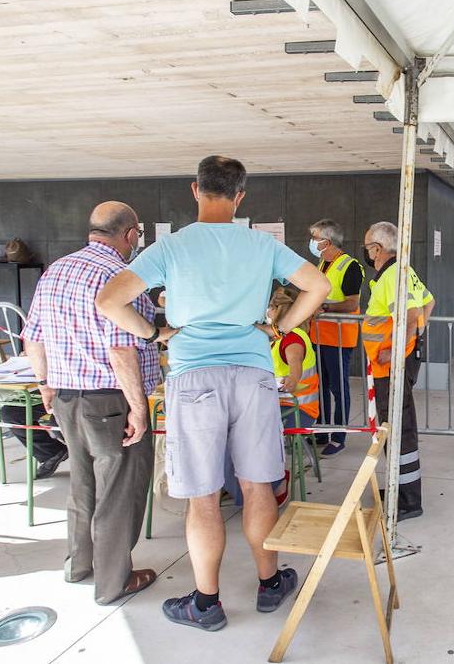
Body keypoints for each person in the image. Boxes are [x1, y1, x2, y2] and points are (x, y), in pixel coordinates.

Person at [96, 155, 330, 632]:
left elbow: (108, 300)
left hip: (194, 376)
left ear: (195, 190)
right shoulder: (261, 245)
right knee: (256, 484)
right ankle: (270, 583)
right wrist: (280, 326)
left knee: (203, 497)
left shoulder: (173, 247)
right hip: (252, 372)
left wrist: (153, 333)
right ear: (240, 196)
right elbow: (319, 284)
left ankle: (207, 603)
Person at [22, 201, 163, 604]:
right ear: (131, 234)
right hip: (110, 400)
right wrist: (138, 407)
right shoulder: (121, 277)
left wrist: (45, 383)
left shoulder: (57, 270)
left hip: (66, 396)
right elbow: (122, 349)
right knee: (120, 489)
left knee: (82, 484)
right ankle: (113, 582)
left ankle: (79, 564)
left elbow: (33, 335)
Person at [361, 221, 434, 521]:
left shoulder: (392, 274)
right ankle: (400, 490)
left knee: (398, 431)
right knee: (397, 428)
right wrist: (412, 341)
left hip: (391, 367)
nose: (367, 253)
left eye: (367, 248)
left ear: (377, 249)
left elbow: (413, 312)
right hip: (398, 363)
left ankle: (406, 501)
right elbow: (429, 303)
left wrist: (396, 350)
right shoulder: (403, 271)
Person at [306, 219, 363, 457]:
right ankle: (321, 431)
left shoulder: (350, 266)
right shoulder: (322, 264)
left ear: (326, 242)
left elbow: (352, 303)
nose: (311, 241)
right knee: (319, 387)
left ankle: (338, 436)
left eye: (315, 237)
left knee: (338, 389)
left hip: (339, 338)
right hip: (319, 337)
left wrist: (325, 308)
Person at [268, 285, 319, 503]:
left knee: (252, 431)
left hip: (296, 409)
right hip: (287, 405)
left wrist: (291, 380)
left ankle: (277, 480)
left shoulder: (292, 339)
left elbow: (294, 366)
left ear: (279, 310)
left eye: (270, 307)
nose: (267, 312)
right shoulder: (286, 334)